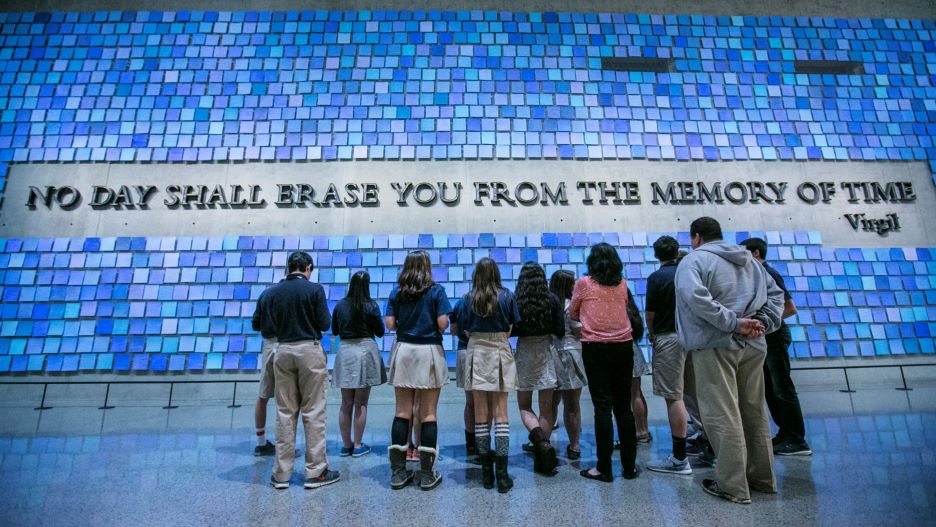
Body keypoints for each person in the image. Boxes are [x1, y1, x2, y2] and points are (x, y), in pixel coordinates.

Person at [676, 217, 784, 504]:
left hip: (715, 345)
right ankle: (763, 479)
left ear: (696, 236)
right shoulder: (751, 261)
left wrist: (734, 323)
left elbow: (697, 300)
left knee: (721, 413)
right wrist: (761, 322)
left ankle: (733, 486)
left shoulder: (693, 261)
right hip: (754, 343)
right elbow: (777, 296)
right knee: (754, 410)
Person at [253, 251, 338, 490]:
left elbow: (262, 324)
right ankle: (315, 472)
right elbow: (324, 324)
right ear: (308, 267)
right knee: (314, 411)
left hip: (282, 350)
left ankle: (281, 474)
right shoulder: (314, 290)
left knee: (284, 412)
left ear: (288, 267)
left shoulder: (271, 292)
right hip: (308, 350)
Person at [571, 242, 639, 482]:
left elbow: (572, 313)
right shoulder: (622, 284)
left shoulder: (584, 284)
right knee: (624, 407)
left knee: (603, 407)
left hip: (595, 348)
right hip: (624, 346)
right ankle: (630, 467)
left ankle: (604, 467)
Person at [385, 250, 452, 491]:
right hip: (429, 351)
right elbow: (443, 323)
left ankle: (398, 473)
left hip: (404, 351)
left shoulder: (397, 291)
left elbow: (390, 324)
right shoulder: (436, 290)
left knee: (402, 411)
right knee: (428, 413)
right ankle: (426, 474)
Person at [740, 237, 812, 456]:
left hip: (775, 336)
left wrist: (763, 323)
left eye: (744, 253)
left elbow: (790, 308)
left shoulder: (769, 274)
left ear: (755, 253)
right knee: (771, 389)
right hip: (766, 336)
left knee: (782, 386)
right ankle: (785, 433)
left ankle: (796, 439)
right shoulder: (757, 274)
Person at [456, 257, 520, 493]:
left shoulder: (466, 299)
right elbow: (513, 325)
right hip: (500, 350)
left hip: (476, 350)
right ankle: (502, 476)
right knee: (501, 412)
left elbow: (460, 328)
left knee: (480, 413)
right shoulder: (508, 295)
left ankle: (486, 475)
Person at [644, 235, 694, 476]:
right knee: (697, 395)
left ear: (656, 255)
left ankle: (679, 458)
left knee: (674, 397)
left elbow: (650, 314)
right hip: (696, 337)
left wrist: (651, 334)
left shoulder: (656, 278)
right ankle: (708, 447)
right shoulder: (689, 272)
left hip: (669, 338)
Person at [512, 262, 565, 475]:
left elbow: (511, 330)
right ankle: (544, 446)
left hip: (524, 353)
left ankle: (539, 444)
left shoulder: (517, 301)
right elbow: (560, 330)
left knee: (524, 406)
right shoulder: (552, 299)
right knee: (547, 408)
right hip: (546, 352)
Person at [331, 271, 386, 458]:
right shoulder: (371, 305)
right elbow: (380, 332)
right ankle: (357, 445)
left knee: (345, 402)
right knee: (361, 403)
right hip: (366, 352)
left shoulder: (340, 305)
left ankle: (345, 446)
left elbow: (335, 330)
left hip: (345, 352)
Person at [548, 270, 587, 460]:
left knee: (549, 403)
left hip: (551, 355)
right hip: (571, 354)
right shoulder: (572, 305)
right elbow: (579, 331)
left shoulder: (547, 305)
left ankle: (543, 442)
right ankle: (574, 446)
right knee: (572, 404)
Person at [251, 279, 279, 457]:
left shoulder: (266, 294)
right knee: (286, 399)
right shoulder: (292, 293)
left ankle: (261, 442)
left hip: (269, 345)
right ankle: (284, 444)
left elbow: (255, 324)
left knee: (263, 396)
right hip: (287, 345)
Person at [450, 298, 478, 462]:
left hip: (464, 351)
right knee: (487, 402)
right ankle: (484, 441)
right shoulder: (493, 299)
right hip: (486, 351)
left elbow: (453, 331)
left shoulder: (460, 303)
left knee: (471, 402)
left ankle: (471, 442)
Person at [628, 289, 652, 445]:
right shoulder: (632, 310)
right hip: (634, 351)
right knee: (636, 393)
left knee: (631, 395)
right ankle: (643, 430)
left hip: (624, 352)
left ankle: (639, 432)